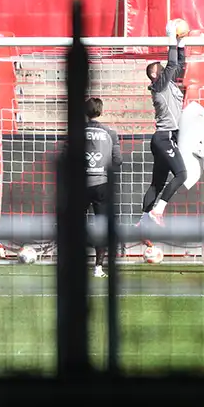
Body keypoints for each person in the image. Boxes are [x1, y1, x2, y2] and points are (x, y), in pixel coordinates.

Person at [140, 20, 189, 227]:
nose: (164, 67)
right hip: (165, 136)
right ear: (154, 74)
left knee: (157, 182)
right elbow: (171, 65)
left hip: (163, 138)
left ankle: (143, 219)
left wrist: (181, 43)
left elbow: (179, 65)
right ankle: (157, 211)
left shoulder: (167, 84)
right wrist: (171, 39)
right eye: (159, 67)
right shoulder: (159, 85)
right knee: (181, 174)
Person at [84, 97, 123, 278]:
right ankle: (98, 267)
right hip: (102, 184)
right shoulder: (110, 133)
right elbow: (118, 161)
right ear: (101, 111)